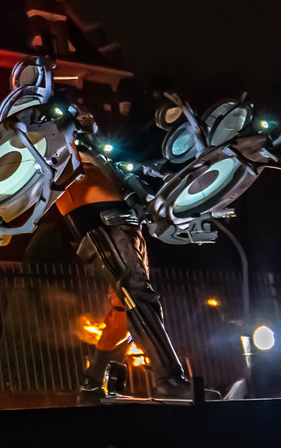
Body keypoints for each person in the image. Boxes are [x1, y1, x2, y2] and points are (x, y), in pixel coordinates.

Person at [59, 117, 194, 402]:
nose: (89, 121)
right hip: (101, 224)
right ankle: (169, 380)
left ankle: (92, 385)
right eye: (79, 115)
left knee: (123, 310)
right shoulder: (59, 149)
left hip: (129, 226)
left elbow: (138, 152)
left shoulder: (101, 153)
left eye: (89, 118)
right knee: (138, 296)